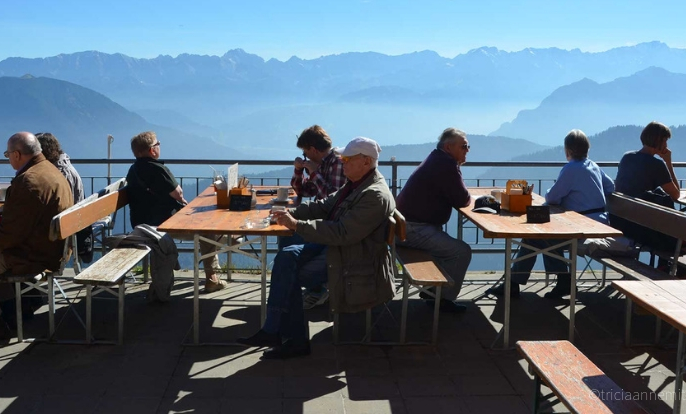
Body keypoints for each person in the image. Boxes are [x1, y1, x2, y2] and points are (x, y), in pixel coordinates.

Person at [237, 137, 396, 359]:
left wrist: (296, 225)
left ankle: (292, 339)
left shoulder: (374, 195)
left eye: (348, 159)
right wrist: (291, 214)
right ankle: (273, 331)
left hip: (353, 259)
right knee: (285, 257)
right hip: (335, 247)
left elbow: (342, 233)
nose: (343, 163)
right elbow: (324, 206)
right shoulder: (356, 184)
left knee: (289, 272)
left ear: (366, 162)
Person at [0, 132, 73, 346]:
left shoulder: (29, 181)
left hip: (32, 254)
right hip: (51, 248)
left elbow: (12, 233)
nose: (8, 158)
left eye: (8, 154)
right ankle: (12, 311)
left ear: (17, 154)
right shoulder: (50, 170)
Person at [489, 130, 616, 299]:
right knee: (539, 238)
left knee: (541, 238)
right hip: (599, 222)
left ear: (568, 151)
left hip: (582, 225)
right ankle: (521, 283)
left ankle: (553, 282)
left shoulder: (571, 168)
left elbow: (552, 197)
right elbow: (611, 187)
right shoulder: (593, 165)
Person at [126, 131, 226, 293]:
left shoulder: (133, 170)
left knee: (211, 232)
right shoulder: (158, 169)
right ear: (152, 150)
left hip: (141, 223)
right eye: (158, 144)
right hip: (164, 223)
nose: (159, 146)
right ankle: (212, 277)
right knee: (207, 231)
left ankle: (228, 245)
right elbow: (178, 193)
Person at [394, 128, 472, 313]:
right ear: (448, 147)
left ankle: (433, 292)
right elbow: (462, 199)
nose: (467, 150)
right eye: (464, 146)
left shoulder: (437, 159)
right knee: (461, 252)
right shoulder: (445, 165)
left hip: (405, 227)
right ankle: (440, 299)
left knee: (446, 247)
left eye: (468, 146)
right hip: (413, 230)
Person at [287, 125, 346, 309]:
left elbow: (334, 197)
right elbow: (304, 191)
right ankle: (299, 288)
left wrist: (314, 173)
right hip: (323, 218)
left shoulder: (337, 162)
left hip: (332, 224)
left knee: (290, 240)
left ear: (313, 149)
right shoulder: (323, 165)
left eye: (305, 152)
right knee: (287, 236)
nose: (305, 156)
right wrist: (299, 171)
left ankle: (314, 289)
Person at [612, 121, 680, 255]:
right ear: (659, 141)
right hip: (641, 230)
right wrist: (668, 162)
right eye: (665, 141)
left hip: (620, 222)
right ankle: (670, 268)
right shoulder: (657, 165)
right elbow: (676, 194)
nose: (666, 145)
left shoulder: (627, 157)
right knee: (677, 234)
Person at [35, 133, 90, 263]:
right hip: (67, 227)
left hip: (61, 236)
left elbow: (60, 208)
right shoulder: (61, 167)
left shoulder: (61, 173)